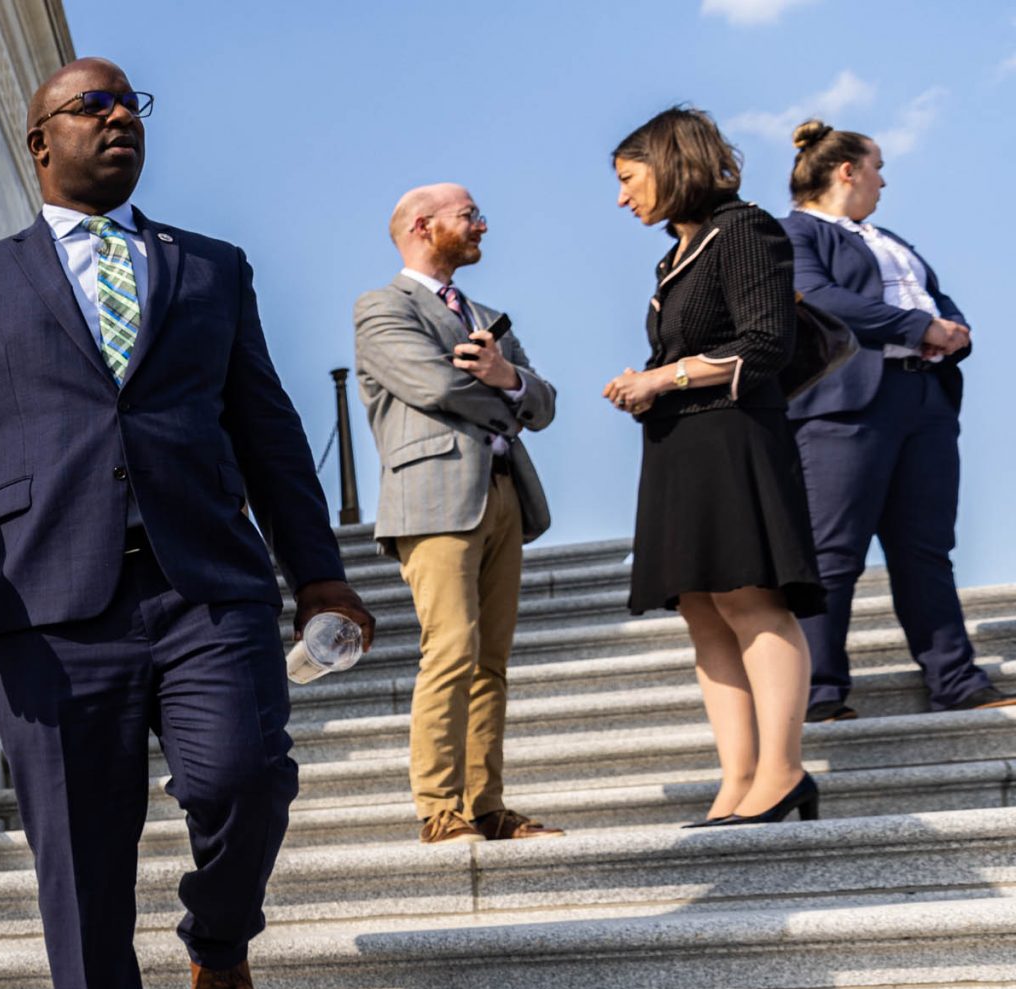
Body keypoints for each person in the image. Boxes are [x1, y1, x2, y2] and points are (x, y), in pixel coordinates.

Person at [0, 57, 372, 989]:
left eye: (127, 105)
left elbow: (268, 427)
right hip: (49, 602)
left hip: (208, 578)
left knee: (242, 772)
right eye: (89, 107)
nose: (116, 119)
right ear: (37, 140)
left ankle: (218, 934)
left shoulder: (210, 268)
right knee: (78, 849)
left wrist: (319, 573)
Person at [602, 106, 823, 827]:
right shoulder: (675, 253)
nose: (622, 197)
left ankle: (783, 771)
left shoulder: (747, 230)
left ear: (670, 166)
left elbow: (766, 345)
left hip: (733, 440)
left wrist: (662, 380)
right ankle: (737, 779)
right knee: (702, 609)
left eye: (630, 179)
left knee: (750, 600)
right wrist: (649, 384)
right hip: (680, 446)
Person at [782, 118, 1011, 722]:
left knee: (927, 549)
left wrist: (952, 335)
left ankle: (956, 682)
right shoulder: (794, 233)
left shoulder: (889, 237)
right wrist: (917, 328)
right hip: (846, 408)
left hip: (925, 400)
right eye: (878, 166)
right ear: (846, 170)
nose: (884, 180)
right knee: (834, 552)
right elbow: (820, 297)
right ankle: (818, 694)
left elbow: (939, 303)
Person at [354, 183, 562, 846]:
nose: (482, 226)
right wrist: (509, 391)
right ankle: (438, 806)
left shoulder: (489, 312)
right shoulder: (382, 307)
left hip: (503, 490)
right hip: (434, 497)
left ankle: (486, 803)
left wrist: (509, 378)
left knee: (491, 659)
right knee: (451, 648)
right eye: (469, 216)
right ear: (423, 225)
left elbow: (547, 403)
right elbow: (434, 384)